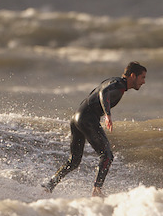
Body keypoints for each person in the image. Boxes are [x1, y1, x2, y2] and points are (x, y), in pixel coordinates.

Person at [43, 61, 147, 197]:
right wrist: (108, 115)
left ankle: (49, 185)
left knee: (74, 161)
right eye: (142, 77)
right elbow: (103, 93)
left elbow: (94, 94)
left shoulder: (113, 81)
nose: (144, 82)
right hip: (87, 118)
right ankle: (96, 191)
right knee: (107, 155)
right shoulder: (119, 86)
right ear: (133, 76)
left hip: (77, 117)